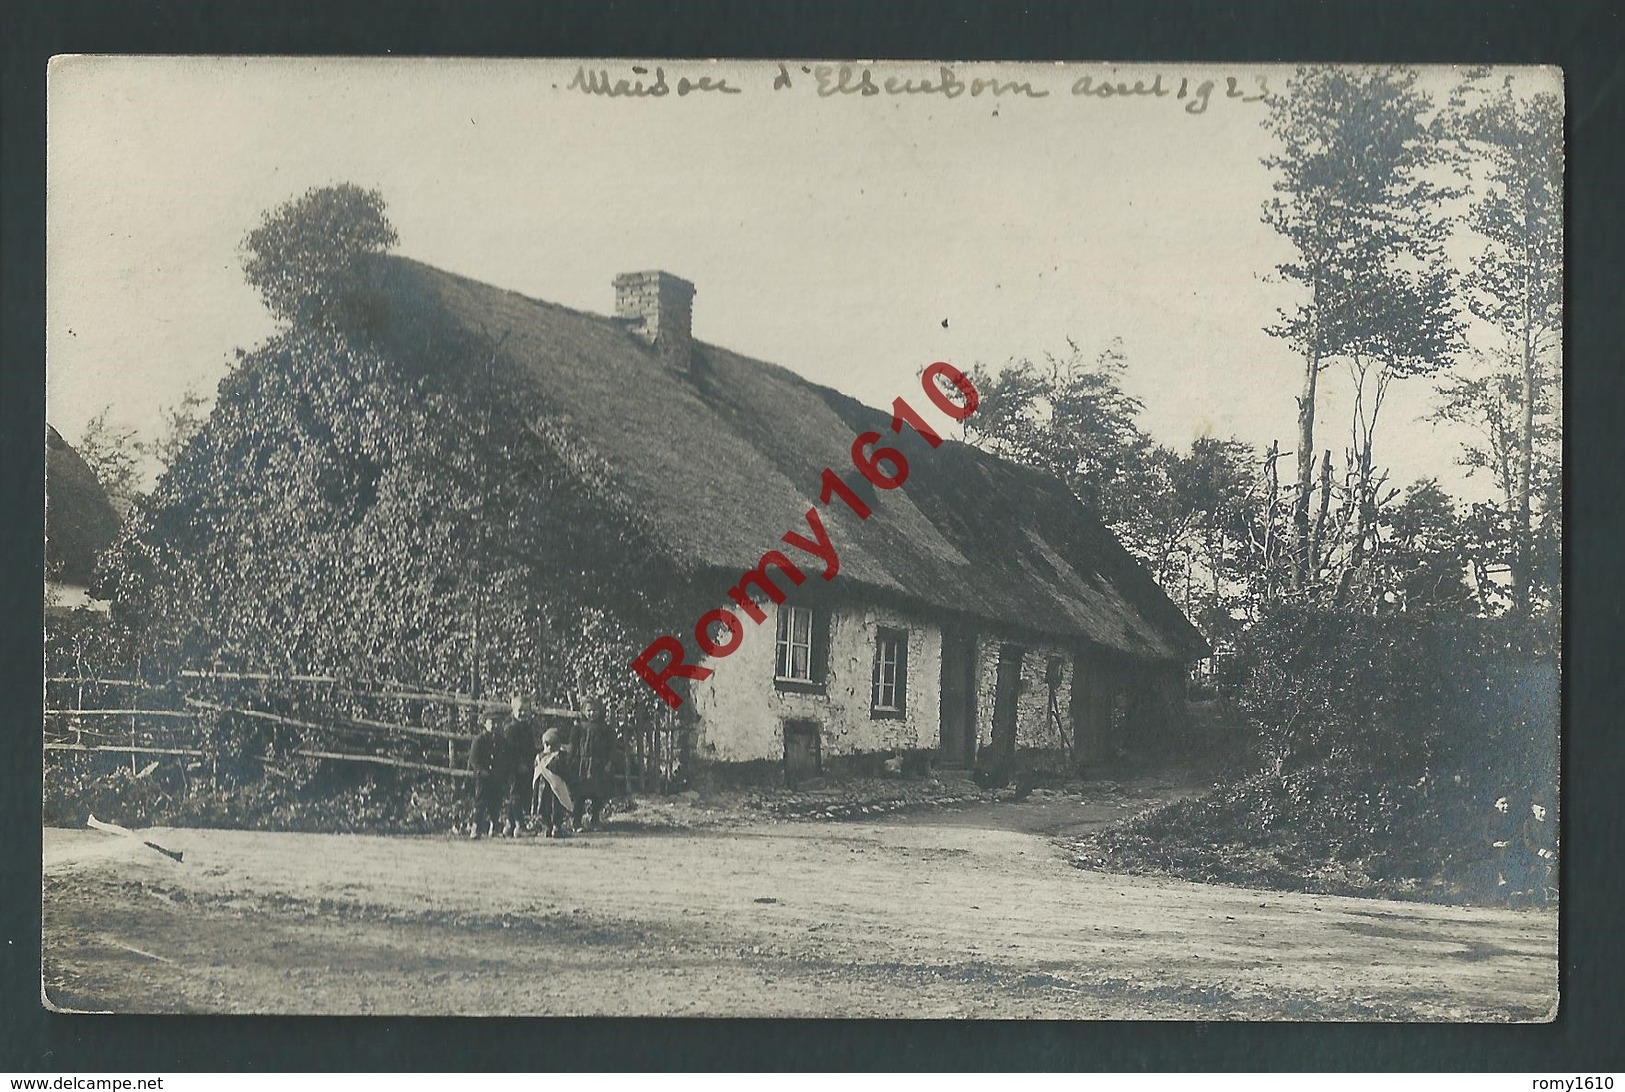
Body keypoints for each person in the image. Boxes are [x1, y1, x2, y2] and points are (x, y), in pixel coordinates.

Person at [573, 696, 617, 830]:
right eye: (589, 710)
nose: (592, 713)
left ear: (600, 711)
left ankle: (595, 820)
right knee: (579, 795)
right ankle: (576, 822)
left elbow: (612, 748)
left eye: (595, 710)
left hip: (599, 765)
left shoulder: (605, 729)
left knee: (598, 794)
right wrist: (572, 762)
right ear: (583, 711)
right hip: (583, 765)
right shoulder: (579, 728)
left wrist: (609, 763)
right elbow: (573, 747)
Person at [467, 714, 509, 840]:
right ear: (485, 724)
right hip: (483, 777)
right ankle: (476, 827)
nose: (495, 726)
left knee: (496, 802)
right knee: (480, 802)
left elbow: (504, 758)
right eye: (491, 723)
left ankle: (494, 827)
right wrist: (481, 770)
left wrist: (502, 773)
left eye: (497, 723)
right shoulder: (479, 740)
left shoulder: (501, 741)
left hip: (496, 777)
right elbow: (473, 759)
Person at [502, 694, 537, 837]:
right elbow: (510, 750)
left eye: (526, 710)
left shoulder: (527, 727)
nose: (522, 713)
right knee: (515, 794)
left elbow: (530, 747)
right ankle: (519, 825)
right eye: (519, 710)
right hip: (514, 766)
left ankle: (509, 825)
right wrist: (518, 764)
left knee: (521, 794)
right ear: (513, 711)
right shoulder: (511, 728)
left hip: (527, 765)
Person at [532, 726, 576, 838]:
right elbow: (565, 772)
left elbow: (536, 773)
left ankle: (548, 827)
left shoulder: (539, 757)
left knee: (544, 807)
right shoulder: (559, 757)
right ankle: (556, 827)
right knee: (557, 806)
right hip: (556, 787)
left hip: (542, 788)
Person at [1520, 794, 1557, 906]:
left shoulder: (1550, 823)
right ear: (1533, 809)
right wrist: (1542, 851)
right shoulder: (1529, 823)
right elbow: (1528, 842)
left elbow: (1553, 840)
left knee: (1552, 866)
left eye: (1545, 810)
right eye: (1540, 810)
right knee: (1536, 868)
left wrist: (1554, 848)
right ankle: (1534, 892)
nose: (1543, 813)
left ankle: (1548, 890)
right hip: (1533, 853)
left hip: (1549, 854)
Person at [1481, 794, 1516, 903]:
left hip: (1508, 846)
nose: (1506, 806)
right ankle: (1501, 879)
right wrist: (1493, 843)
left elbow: (1518, 834)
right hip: (1491, 847)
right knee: (1500, 854)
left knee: (1507, 853)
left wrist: (1511, 842)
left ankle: (1507, 887)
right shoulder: (1490, 818)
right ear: (1496, 804)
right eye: (1503, 803)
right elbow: (1484, 834)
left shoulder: (1513, 818)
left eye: (1508, 803)